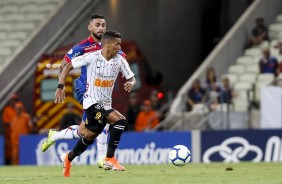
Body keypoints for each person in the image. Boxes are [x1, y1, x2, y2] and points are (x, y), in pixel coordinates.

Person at [41, 14, 125, 168]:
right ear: (90, 27)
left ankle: (55, 135)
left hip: (102, 90)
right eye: (97, 25)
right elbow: (63, 65)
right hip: (84, 89)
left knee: (84, 131)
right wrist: (61, 85)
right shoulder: (81, 47)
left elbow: (122, 59)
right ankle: (102, 159)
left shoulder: (110, 44)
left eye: (103, 25)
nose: (101, 28)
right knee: (103, 117)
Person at [54, 30, 135, 176]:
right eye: (117, 44)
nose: (119, 47)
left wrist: (131, 83)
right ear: (108, 44)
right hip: (91, 102)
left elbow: (131, 77)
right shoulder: (92, 57)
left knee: (88, 136)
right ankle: (109, 158)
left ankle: (68, 158)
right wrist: (60, 86)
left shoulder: (120, 60)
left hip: (105, 104)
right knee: (120, 121)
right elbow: (67, 66)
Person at [1, 94, 19, 165]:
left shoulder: (18, 109)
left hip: (17, 135)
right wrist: (14, 123)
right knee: (8, 152)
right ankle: (8, 164)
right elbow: (5, 122)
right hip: (9, 135)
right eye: (12, 100)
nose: (14, 102)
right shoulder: (7, 110)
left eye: (15, 100)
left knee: (17, 152)